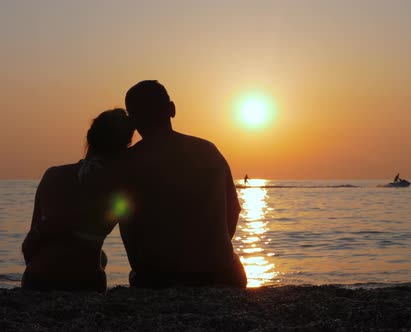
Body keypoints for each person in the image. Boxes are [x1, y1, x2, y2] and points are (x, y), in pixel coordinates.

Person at [118, 80, 247, 288]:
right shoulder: (208, 151)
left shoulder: (128, 162)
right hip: (221, 274)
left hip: (157, 277)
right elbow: (233, 210)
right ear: (172, 109)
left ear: (132, 121)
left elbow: (125, 223)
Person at [21, 108, 134, 292]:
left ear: (89, 136)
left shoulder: (52, 175)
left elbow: (29, 247)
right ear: (125, 147)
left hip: (38, 280)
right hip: (86, 283)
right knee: (99, 256)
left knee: (97, 255)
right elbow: (131, 242)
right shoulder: (119, 189)